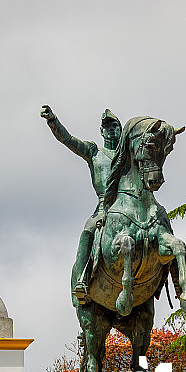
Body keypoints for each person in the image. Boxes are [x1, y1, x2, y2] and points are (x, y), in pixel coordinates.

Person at [40, 105, 122, 307]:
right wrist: (53, 121)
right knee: (88, 231)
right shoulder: (94, 152)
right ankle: (82, 280)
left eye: (115, 126)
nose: (111, 130)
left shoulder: (128, 154)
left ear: (121, 130)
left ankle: (173, 277)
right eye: (107, 127)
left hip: (129, 203)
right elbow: (68, 140)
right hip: (104, 207)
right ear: (102, 132)